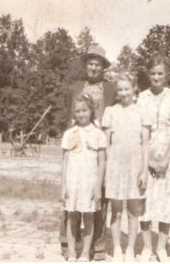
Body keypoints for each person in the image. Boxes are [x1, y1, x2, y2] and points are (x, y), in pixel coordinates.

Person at [60, 45, 117, 261]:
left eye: (98, 64)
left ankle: (97, 245)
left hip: (101, 144)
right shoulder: (76, 87)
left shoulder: (110, 89)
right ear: (86, 66)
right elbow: (69, 115)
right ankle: (68, 244)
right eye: (90, 63)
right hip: (77, 144)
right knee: (71, 194)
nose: (93, 67)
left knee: (98, 195)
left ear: (103, 67)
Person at [137, 57, 170, 262]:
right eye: (153, 73)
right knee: (144, 200)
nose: (156, 77)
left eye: (160, 73)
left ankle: (161, 248)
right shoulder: (140, 98)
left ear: (166, 75)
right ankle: (147, 247)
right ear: (148, 75)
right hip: (145, 156)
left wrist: (166, 159)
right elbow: (140, 131)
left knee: (168, 201)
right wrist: (146, 160)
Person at [101, 72, 150, 262]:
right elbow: (106, 144)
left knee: (133, 209)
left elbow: (145, 144)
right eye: (120, 89)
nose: (123, 93)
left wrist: (144, 171)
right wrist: (105, 169)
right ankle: (117, 249)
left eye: (126, 89)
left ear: (134, 89)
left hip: (135, 165)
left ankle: (130, 248)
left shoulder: (141, 112)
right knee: (116, 210)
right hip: (115, 164)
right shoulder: (111, 112)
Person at [60, 94, 107, 261]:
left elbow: (102, 163)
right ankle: (72, 252)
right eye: (78, 111)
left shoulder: (98, 134)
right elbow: (65, 162)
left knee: (88, 217)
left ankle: (86, 253)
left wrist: (98, 187)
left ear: (91, 111)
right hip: (73, 181)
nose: (81, 114)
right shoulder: (69, 133)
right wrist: (63, 186)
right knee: (72, 217)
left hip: (90, 182)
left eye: (84, 110)